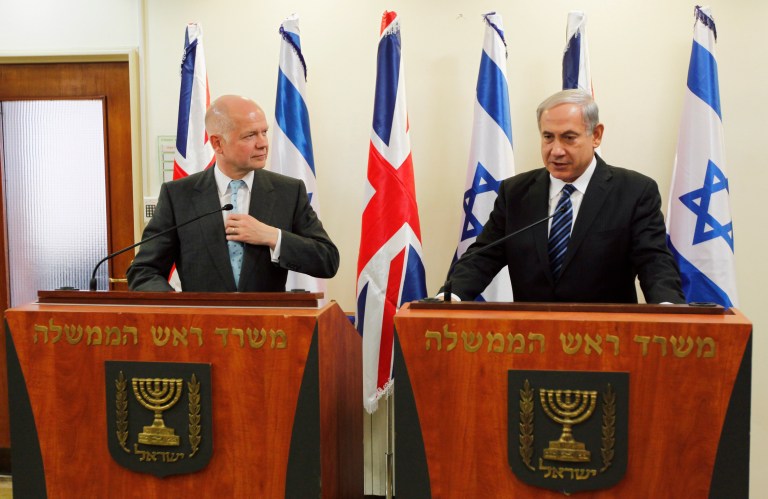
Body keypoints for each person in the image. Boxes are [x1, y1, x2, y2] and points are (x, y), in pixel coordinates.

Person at [445, 89, 685, 304]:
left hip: (607, 340)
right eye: (548, 137)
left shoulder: (634, 192)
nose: (556, 150)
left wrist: (668, 307)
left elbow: (654, 262)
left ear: (596, 135)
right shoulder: (515, 193)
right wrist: (451, 296)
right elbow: (483, 256)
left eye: (569, 138)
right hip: (530, 340)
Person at [127, 95, 339, 292]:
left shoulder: (289, 192)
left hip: (269, 329)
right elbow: (143, 272)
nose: (263, 143)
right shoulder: (178, 196)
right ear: (218, 143)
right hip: (200, 327)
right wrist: (179, 310)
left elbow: (327, 260)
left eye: (264, 132)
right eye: (250, 135)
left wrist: (273, 237)